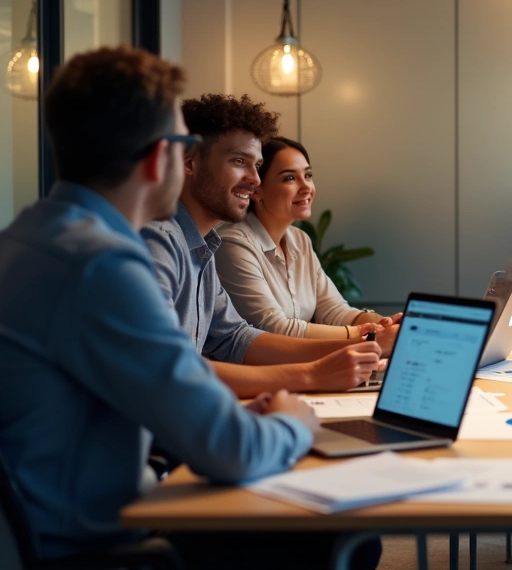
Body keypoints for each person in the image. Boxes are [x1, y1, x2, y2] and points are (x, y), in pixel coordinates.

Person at [0, 46, 379, 569]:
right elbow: (231, 448)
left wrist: (304, 378)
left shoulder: (28, 238)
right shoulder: (102, 266)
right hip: (97, 546)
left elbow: (229, 341)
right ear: (167, 157)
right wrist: (295, 418)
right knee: (338, 536)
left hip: (73, 522)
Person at [141, 94, 395, 398]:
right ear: (189, 163)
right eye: (239, 162)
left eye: (257, 166)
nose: (255, 180)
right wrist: (313, 374)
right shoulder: (158, 241)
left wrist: (368, 343)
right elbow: (168, 368)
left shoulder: (202, 245)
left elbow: (236, 338)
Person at [215, 135, 398, 338]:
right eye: (290, 178)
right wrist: (367, 333)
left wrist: (384, 325)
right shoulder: (233, 244)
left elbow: (334, 310)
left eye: (308, 175)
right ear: (257, 190)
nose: (306, 188)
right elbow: (275, 328)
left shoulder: (300, 240)